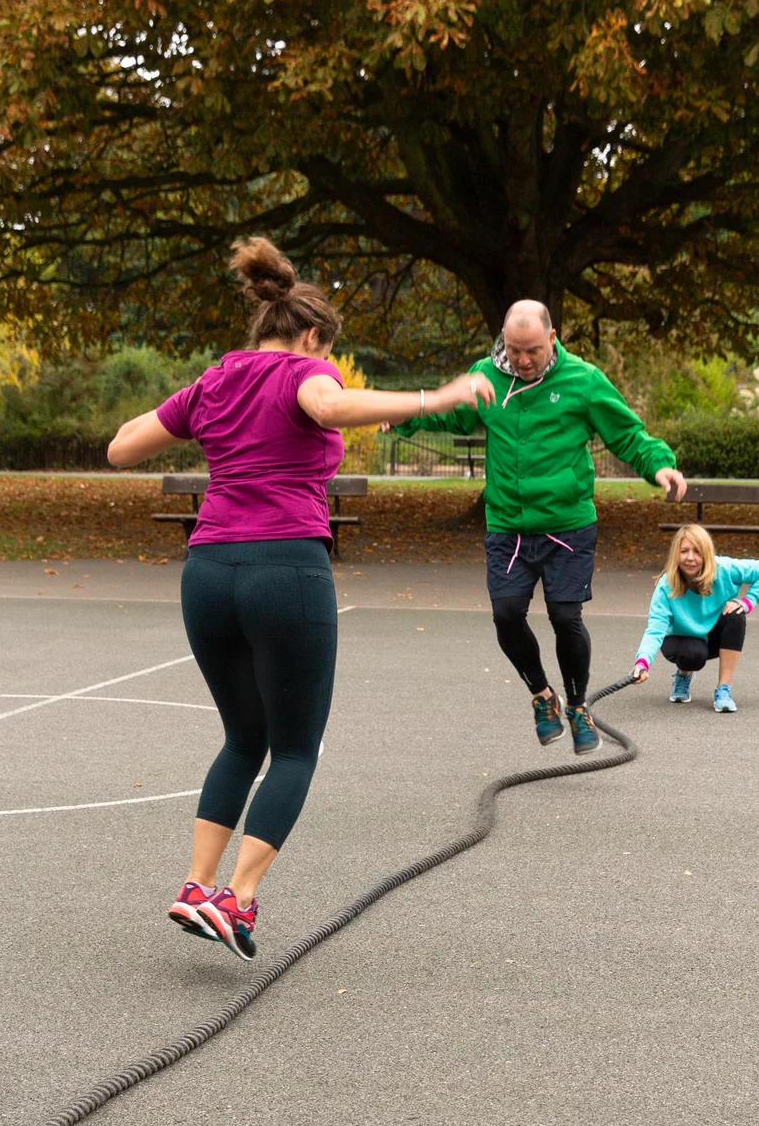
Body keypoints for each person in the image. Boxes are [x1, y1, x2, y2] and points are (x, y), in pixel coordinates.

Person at [107, 237, 494, 959]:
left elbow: (121, 447)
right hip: (284, 570)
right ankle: (238, 900)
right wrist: (434, 398)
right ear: (312, 335)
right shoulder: (305, 373)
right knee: (294, 749)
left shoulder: (216, 380)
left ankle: (197, 886)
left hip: (208, 573)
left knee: (241, 737)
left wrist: (190, 416)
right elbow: (323, 400)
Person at [394, 300, 686, 753]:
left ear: (552, 339)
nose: (523, 360)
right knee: (506, 615)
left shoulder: (583, 381)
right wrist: (404, 415)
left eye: (531, 350)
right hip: (507, 526)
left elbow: (627, 435)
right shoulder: (484, 377)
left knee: (565, 618)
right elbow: (449, 414)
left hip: (567, 526)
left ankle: (576, 705)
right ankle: (542, 696)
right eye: (513, 350)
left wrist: (659, 466)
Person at [630, 524, 759, 712]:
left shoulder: (724, 569)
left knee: (736, 615)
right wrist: (642, 663)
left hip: (712, 633)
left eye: (697, 552)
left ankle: (723, 689)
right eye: (684, 551)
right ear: (676, 555)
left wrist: (748, 602)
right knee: (692, 656)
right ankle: (683, 675)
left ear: (706, 554)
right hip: (679, 638)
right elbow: (655, 629)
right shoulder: (667, 585)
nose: (690, 558)